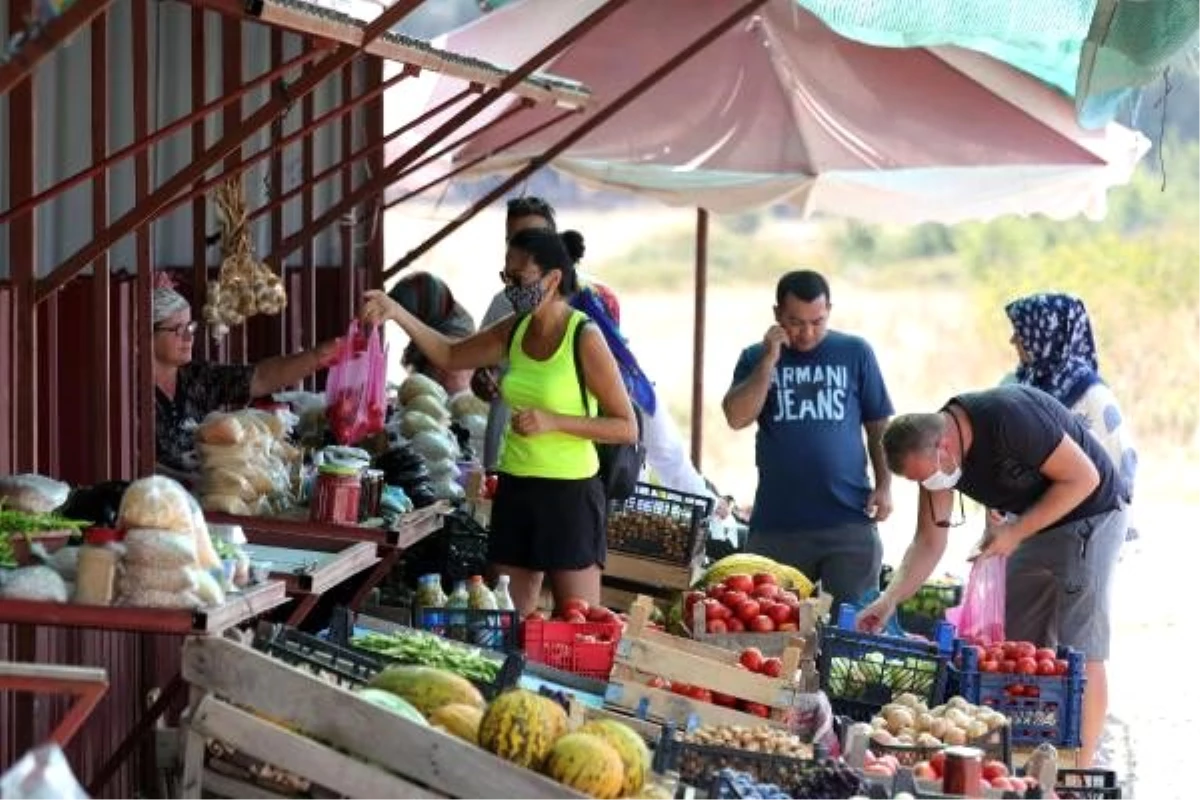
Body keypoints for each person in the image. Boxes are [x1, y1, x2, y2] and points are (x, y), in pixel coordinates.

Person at [359, 227, 637, 615]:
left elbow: (626, 426)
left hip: (570, 498)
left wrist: (554, 421)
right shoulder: (514, 328)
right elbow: (450, 355)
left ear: (553, 279)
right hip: (516, 489)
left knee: (577, 627)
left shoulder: (583, 338)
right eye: (505, 277)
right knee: (503, 623)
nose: (510, 288)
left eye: (519, 278)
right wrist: (398, 312)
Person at [857, 384, 1128, 768]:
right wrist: (889, 600)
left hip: (1092, 513)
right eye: (919, 481)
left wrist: (1014, 533)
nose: (929, 485)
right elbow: (929, 541)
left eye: (927, 476)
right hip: (1035, 521)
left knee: (1081, 649)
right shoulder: (934, 455)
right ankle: (1028, 759)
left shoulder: (1009, 419)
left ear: (946, 447)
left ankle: (1078, 771)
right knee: (1018, 649)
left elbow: (1085, 478)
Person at [477, 196, 718, 503]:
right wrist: (487, 382)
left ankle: (712, 513)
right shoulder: (505, 303)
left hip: (586, 446)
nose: (525, 248)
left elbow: (610, 375)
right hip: (522, 450)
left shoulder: (595, 295)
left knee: (663, 461)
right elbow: (475, 374)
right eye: (515, 239)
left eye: (535, 239)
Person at [722, 269, 894, 613]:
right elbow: (736, 417)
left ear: (829, 309)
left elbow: (878, 426)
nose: (807, 332)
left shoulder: (855, 352)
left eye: (817, 321)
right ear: (777, 316)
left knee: (850, 630)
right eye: (796, 322)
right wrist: (769, 360)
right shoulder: (755, 357)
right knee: (770, 627)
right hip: (778, 524)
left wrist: (885, 484)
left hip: (849, 519)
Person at [153, 280, 338, 479]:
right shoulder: (130, 392)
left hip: (207, 489)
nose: (189, 338)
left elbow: (260, 377)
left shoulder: (196, 376)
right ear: (148, 335)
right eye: (178, 330)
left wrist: (317, 357)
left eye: (190, 328)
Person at [1004, 292, 1138, 538]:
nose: (1013, 340)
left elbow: (1118, 468)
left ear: (1048, 335)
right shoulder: (1023, 383)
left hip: (1080, 535)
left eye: (1021, 332)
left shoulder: (1091, 395)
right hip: (1030, 529)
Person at [387, 271, 477, 394]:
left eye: (412, 317)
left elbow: (449, 399)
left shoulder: (455, 354)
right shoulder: (456, 321)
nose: (408, 326)